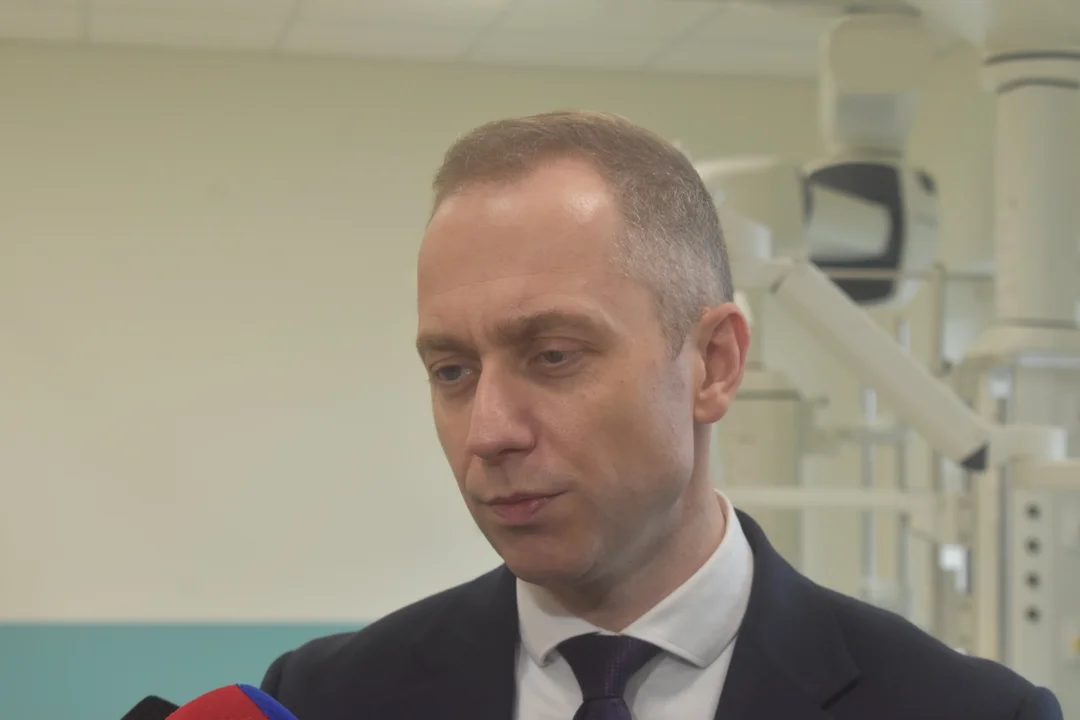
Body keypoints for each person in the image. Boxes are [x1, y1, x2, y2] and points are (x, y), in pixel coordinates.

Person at [259, 111, 1061, 720]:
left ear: (714, 363)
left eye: (553, 355)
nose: (489, 432)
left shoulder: (964, 712)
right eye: (452, 371)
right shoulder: (325, 700)